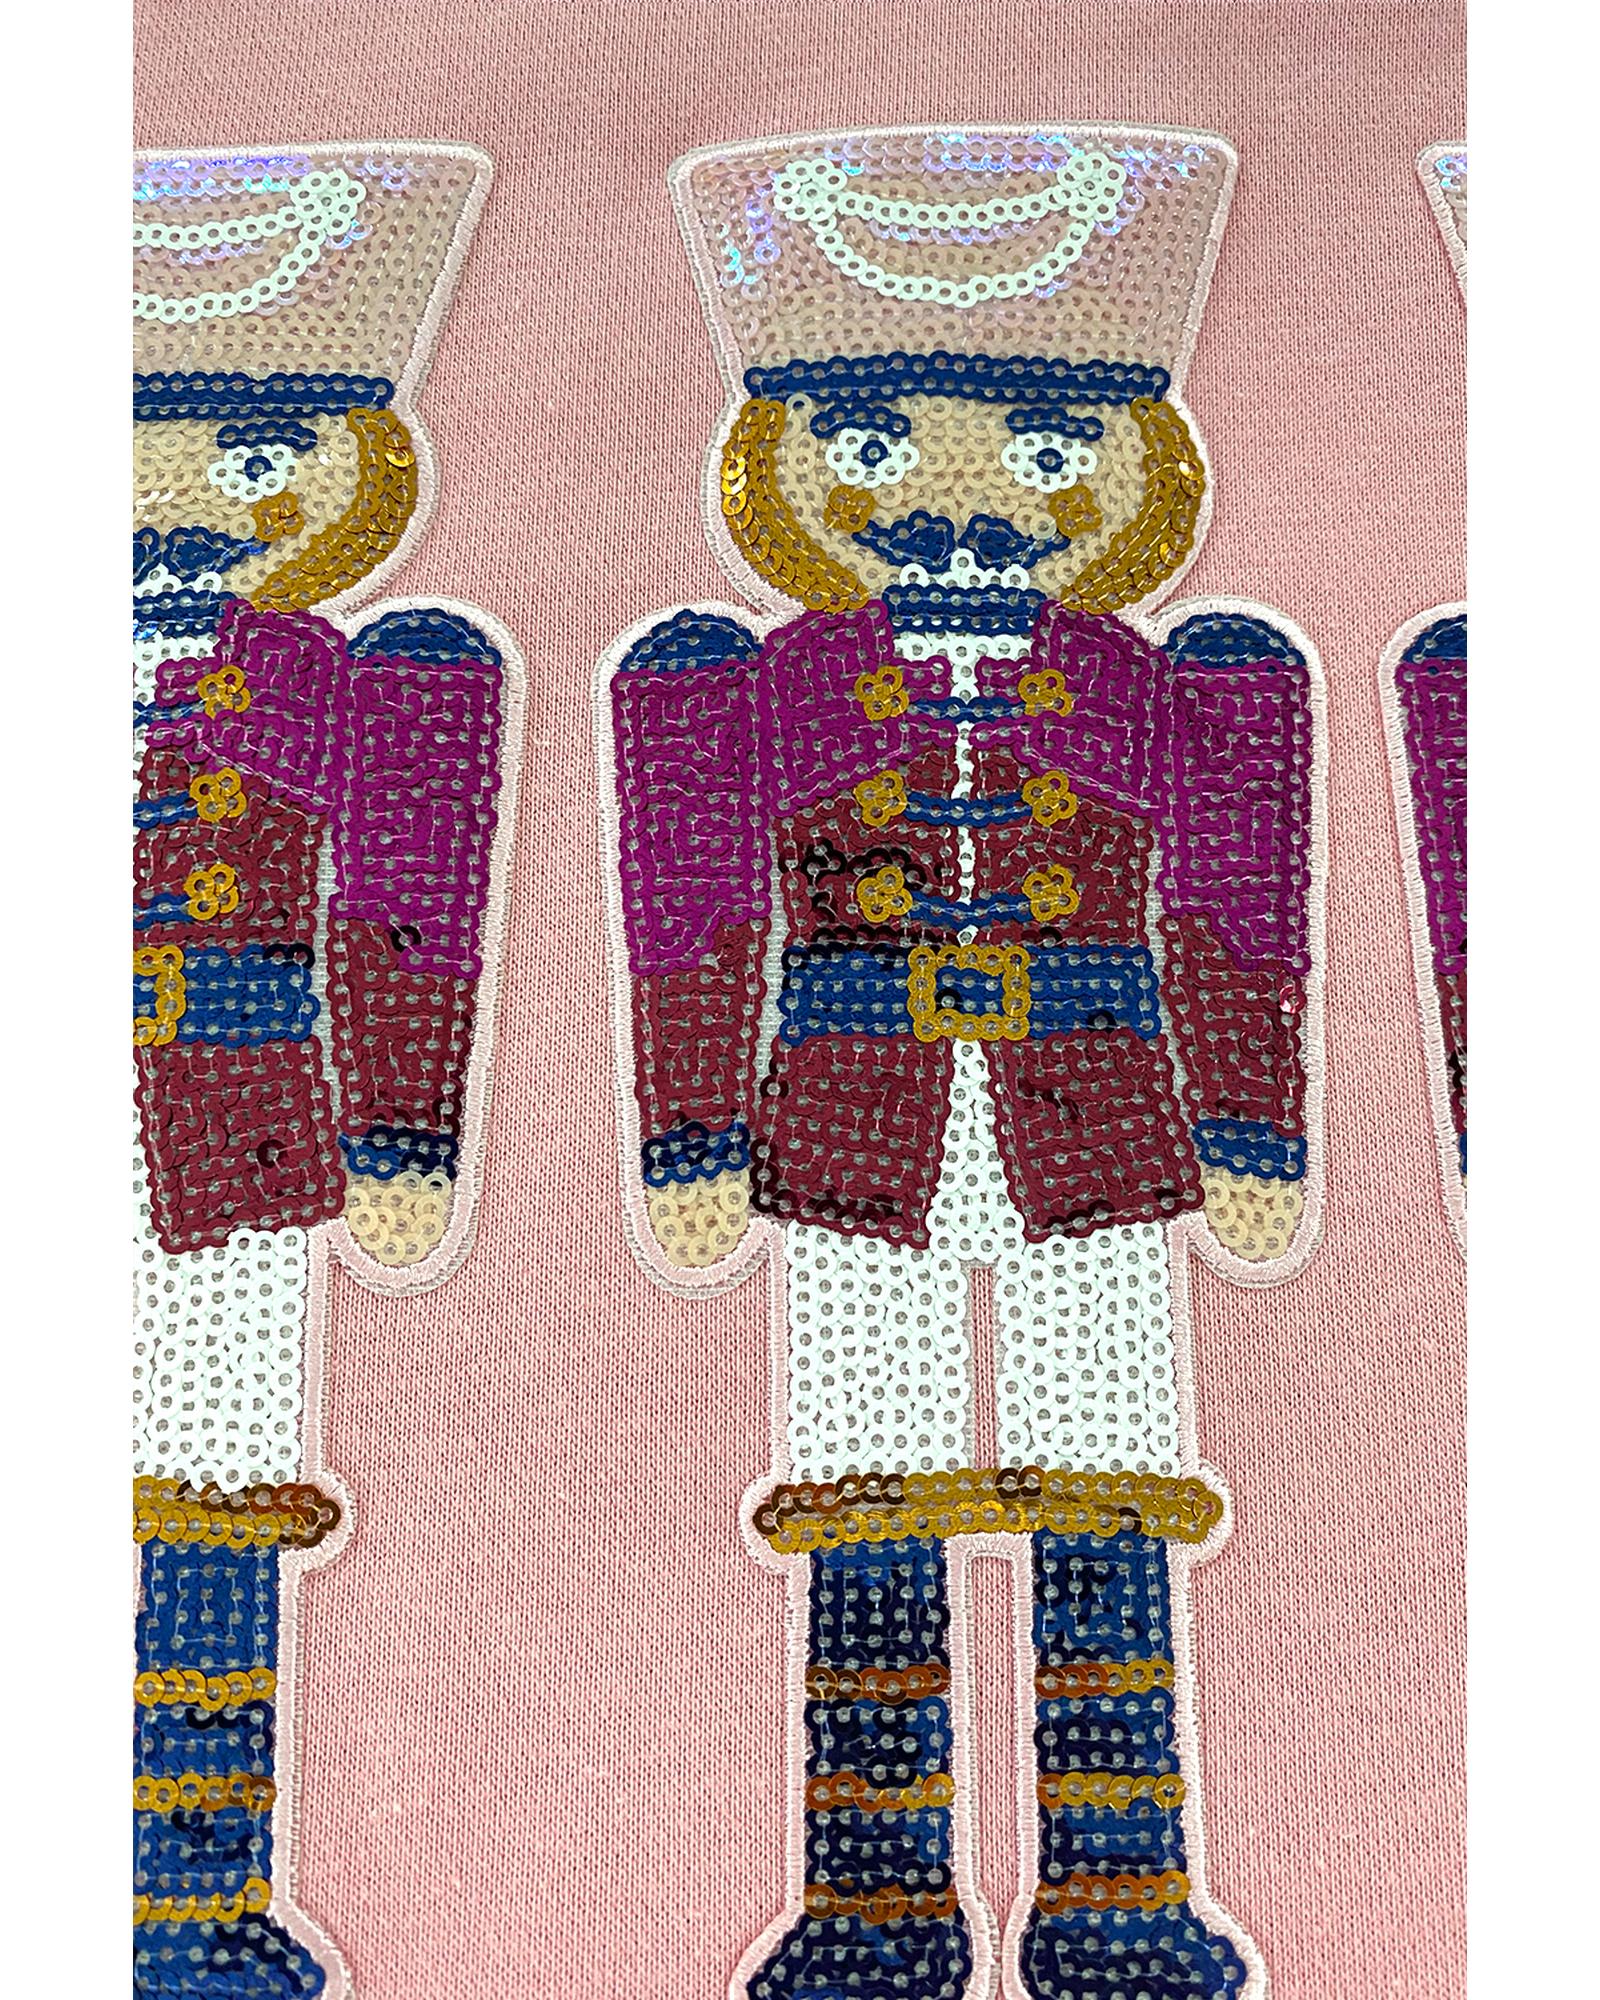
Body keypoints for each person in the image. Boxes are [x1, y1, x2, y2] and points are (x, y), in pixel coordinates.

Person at [599, 126, 1324, 2000]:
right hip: (849, 1115)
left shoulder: (1172, 684)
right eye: (877, 447)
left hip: (1109, 1109)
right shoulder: (752, 687)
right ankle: (878, 1895)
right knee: (867, 1479)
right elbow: (696, 908)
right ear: (793, 466)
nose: (959, 499)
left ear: (1127, 466)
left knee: (1109, 1472)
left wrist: (1251, 1122)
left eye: (1042, 449)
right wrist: (690, 1133)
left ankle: (1119, 1885)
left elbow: (1232, 902)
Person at [132, 144, 520, 1999]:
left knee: (218, 1487)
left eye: (243, 459)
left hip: (245, 1125)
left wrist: (404, 1134)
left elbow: (406, 908)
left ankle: (193, 1883)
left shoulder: (361, 680)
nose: (163, 515)